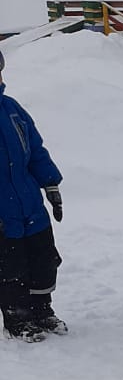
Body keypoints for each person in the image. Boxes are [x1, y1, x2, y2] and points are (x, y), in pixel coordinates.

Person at [0, 48, 66, 341]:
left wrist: (50, 184)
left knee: (43, 259)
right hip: (3, 212)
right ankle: (18, 318)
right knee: (11, 268)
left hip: (30, 204)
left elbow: (35, 150)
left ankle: (42, 310)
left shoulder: (11, 108)